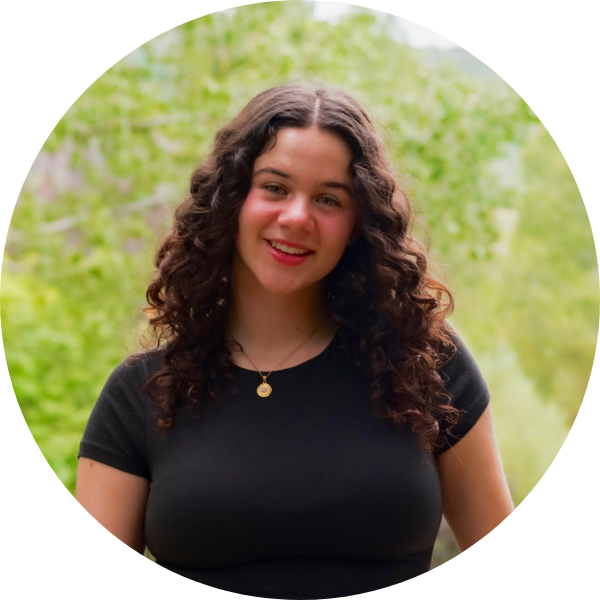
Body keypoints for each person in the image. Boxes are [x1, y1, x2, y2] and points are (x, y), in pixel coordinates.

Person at [77, 82, 514, 599]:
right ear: (232, 199)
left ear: (358, 224)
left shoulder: (426, 363)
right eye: (275, 188)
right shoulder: (141, 394)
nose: (297, 217)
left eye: (329, 199)